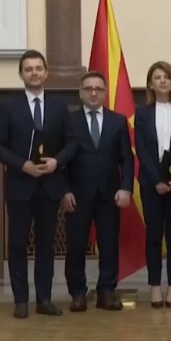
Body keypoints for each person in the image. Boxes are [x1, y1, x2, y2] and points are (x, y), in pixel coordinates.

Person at [0, 50, 76, 319]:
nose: (34, 73)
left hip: (50, 186)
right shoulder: (9, 106)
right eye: (28, 69)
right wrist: (22, 165)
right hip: (20, 185)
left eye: (39, 68)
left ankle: (44, 299)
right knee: (17, 245)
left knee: (46, 246)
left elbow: (72, 142)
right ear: (21, 74)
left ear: (46, 72)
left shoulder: (59, 106)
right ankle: (20, 300)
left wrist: (56, 162)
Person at [60, 71, 134, 312]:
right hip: (76, 194)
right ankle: (77, 293)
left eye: (98, 89)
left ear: (105, 93)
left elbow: (126, 159)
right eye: (88, 89)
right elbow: (61, 160)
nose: (93, 93)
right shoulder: (68, 121)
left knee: (109, 244)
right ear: (81, 93)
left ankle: (106, 292)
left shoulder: (117, 121)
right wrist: (64, 191)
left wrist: (126, 188)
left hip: (109, 194)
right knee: (76, 245)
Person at [135, 61, 171, 309]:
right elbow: (141, 149)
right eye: (157, 77)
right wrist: (156, 180)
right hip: (152, 183)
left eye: (166, 77)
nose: (162, 81)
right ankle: (155, 286)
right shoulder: (143, 112)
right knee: (153, 235)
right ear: (150, 84)